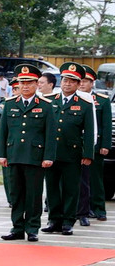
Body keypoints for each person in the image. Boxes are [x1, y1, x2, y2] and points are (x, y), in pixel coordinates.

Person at [0, 64, 56, 242]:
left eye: (29, 83)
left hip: (35, 157)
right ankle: (17, 227)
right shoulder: (9, 104)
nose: (25, 86)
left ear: (36, 84)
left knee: (33, 195)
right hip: (14, 155)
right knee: (16, 194)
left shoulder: (46, 106)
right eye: (22, 83)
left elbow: (50, 134)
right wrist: (2, 154)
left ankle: (32, 228)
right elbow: (3, 132)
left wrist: (48, 156)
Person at [43, 62, 95, 236]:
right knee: (52, 188)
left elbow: (89, 131)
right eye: (65, 80)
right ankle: (54, 220)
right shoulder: (49, 101)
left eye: (72, 81)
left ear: (79, 84)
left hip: (72, 153)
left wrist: (88, 154)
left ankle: (67, 222)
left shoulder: (85, 104)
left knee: (71, 189)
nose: (67, 84)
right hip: (51, 153)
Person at [80, 66, 111, 223]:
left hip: (94, 146)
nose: (82, 84)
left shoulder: (102, 100)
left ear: (92, 83)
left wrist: (105, 145)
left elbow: (106, 124)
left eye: (86, 81)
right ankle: (82, 210)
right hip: (76, 146)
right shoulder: (74, 99)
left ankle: (98, 208)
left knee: (96, 179)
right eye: (80, 81)